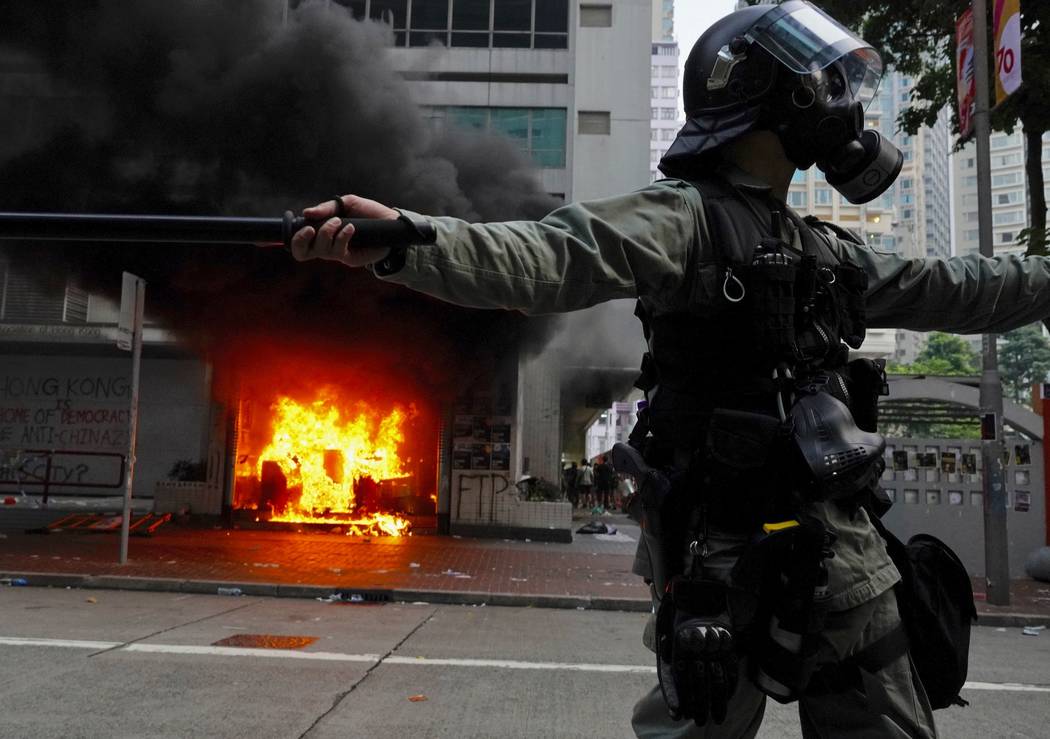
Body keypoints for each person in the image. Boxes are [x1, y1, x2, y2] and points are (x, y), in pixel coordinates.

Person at [290, 2, 1050, 735]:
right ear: (769, 93)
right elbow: (546, 256)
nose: (842, 104)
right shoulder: (684, 217)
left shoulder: (823, 247)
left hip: (843, 554)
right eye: (822, 82)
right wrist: (409, 240)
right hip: (720, 562)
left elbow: (955, 287)